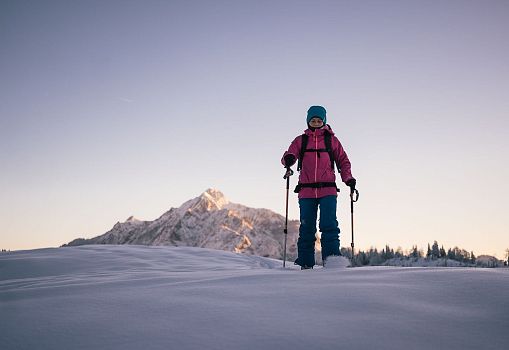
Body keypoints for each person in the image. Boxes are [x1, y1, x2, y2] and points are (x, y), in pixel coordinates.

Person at [281, 105, 356, 269]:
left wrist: (348, 179)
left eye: (319, 120)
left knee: (329, 225)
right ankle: (306, 264)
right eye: (313, 120)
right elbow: (289, 154)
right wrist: (288, 159)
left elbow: (343, 161)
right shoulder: (301, 140)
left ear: (324, 121)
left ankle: (332, 263)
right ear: (308, 121)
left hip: (328, 190)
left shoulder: (332, 140)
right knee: (307, 228)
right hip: (306, 191)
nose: (315, 122)